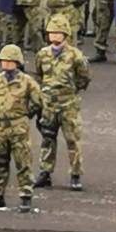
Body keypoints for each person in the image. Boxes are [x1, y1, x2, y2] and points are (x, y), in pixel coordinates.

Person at [32, 14, 91, 191]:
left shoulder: (75, 56)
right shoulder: (42, 55)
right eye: (51, 33)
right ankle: (45, 172)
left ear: (65, 35)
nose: (54, 36)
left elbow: (84, 77)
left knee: (72, 140)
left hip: (68, 104)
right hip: (49, 104)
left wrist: (71, 90)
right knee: (47, 139)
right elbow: (39, 76)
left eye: (58, 33)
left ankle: (75, 174)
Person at [0, 44, 42, 212]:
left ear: (17, 62)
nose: (5, 64)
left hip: (19, 127)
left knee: (23, 162)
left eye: (9, 61)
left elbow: (38, 102)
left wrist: (24, 115)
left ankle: (26, 196)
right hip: (1, 126)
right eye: (3, 60)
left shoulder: (28, 82)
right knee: (0, 162)